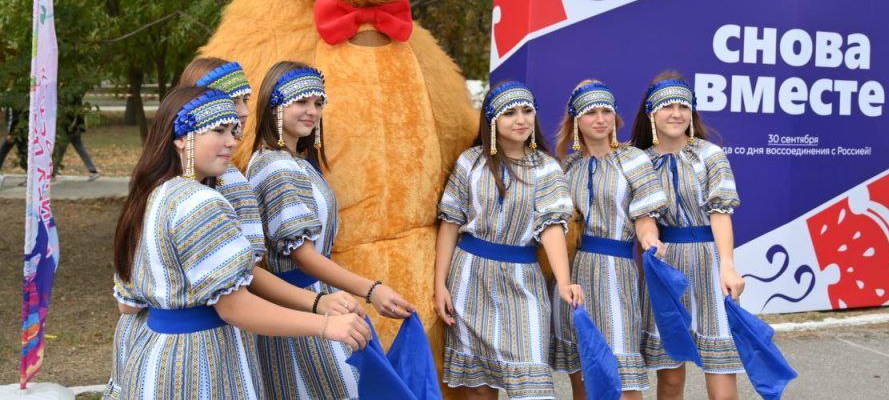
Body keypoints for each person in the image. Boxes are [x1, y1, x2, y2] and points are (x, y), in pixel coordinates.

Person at [107, 86, 369, 400]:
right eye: (218, 131)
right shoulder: (200, 202)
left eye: (233, 131)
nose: (231, 142)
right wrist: (324, 326)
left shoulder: (154, 195)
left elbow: (128, 302)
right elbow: (233, 307)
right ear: (180, 139)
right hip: (199, 362)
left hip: (157, 357)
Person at [247, 61, 413, 399]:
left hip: (317, 296)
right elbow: (304, 257)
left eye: (318, 103)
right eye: (301, 102)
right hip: (300, 303)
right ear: (275, 105)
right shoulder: (276, 167)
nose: (312, 111)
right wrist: (372, 290)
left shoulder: (294, 161)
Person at [434, 80, 582, 399]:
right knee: (478, 390)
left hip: (522, 282)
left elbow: (552, 229)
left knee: (532, 386)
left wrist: (565, 281)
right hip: (469, 279)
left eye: (527, 111)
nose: (521, 120)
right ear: (491, 120)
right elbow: (450, 224)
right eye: (510, 113)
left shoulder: (546, 168)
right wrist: (439, 284)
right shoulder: (469, 162)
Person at [551, 79, 668, 399]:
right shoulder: (567, 166)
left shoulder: (633, 160)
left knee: (623, 373)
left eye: (606, 111)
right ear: (576, 120)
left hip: (616, 271)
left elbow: (645, 219)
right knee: (584, 374)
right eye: (591, 112)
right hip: (574, 273)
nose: (600, 119)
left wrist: (649, 240)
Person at [633, 71, 745, 400]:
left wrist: (727, 264)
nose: (677, 113)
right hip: (666, 266)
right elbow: (643, 216)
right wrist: (649, 240)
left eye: (684, 105)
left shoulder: (711, 155)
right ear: (651, 112)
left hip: (709, 261)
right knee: (669, 375)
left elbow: (721, 213)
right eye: (667, 106)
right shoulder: (640, 161)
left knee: (721, 368)